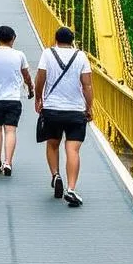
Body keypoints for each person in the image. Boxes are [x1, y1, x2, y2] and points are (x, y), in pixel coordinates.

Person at [34, 25, 93, 206]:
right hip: (76, 110)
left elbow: (40, 78)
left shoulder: (47, 53)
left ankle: (56, 175)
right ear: (72, 40)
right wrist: (89, 107)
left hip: (52, 109)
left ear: (56, 39)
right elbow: (87, 85)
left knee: (52, 145)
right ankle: (71, 189)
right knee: (72, 150)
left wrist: (38, 99)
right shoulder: (81, 56)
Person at [0, 25, 34, 177]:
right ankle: (8, 162)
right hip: (13, 99)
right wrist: (31, 88)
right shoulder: (19, 54)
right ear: (13, 39)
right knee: (10, 130)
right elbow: (26, 75)